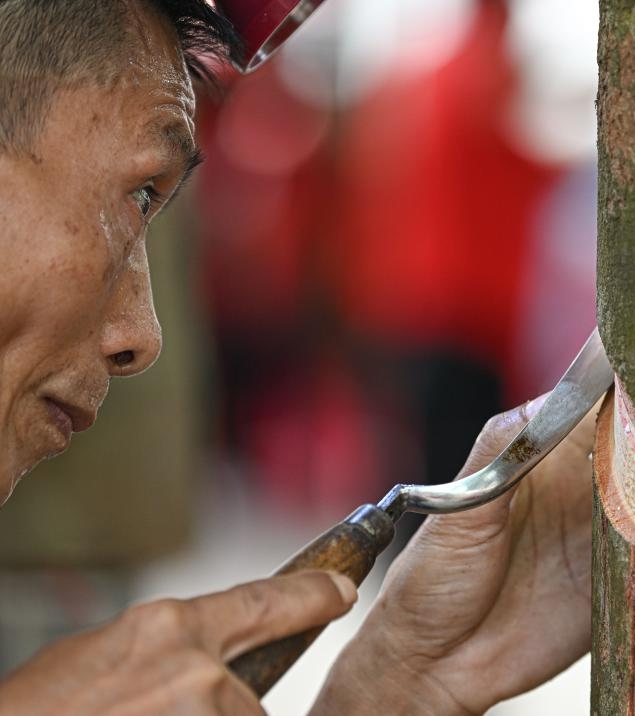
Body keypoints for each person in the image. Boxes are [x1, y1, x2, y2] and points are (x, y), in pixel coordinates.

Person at [0, 2, 596, 713]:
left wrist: (398, 681)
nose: (141, 335)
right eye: (136, 195)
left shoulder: (431, 83)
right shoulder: (458, 83)